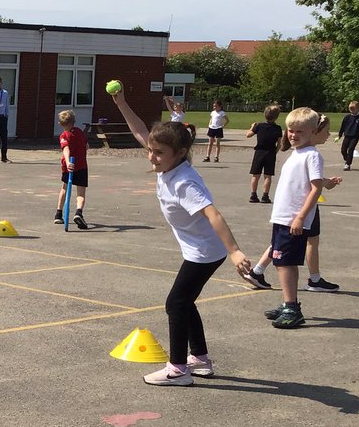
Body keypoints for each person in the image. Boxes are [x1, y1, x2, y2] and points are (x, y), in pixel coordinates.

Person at [111, 89, 250, 386]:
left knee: (175, 303)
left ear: (180, 153)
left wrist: (236, 251)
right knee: (186, 301)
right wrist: (122, 101)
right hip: (198, 248)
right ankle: (198, 357)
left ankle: (177, 369)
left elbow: (213, 214)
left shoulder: (185, 182)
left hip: (205, 251)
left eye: (159, 153)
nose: (152, 156)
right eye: (151, 150)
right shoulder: (168, 164)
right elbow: (139, 131)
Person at [248, 108, 329, 329]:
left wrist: (300, 217)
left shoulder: (312, 155)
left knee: (286, 263)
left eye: (299, 132)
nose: (293, 135)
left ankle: (292, 308)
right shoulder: (298, 152)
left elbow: (315, 188)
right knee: (281, 261)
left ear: (313, 131)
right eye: (290, 131)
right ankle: (287, 303)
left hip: (293, 219)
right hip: (282, 217)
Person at [53, 109, 89, 229]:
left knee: (64, 188)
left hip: (68, 167)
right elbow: (87, 145)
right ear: (74, 121)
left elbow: (66, 149)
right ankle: (79, 212)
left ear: (60, 124)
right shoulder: (80, 132)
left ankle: (59, 213)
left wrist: (68, 162)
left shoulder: (64, 135)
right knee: (81, 192)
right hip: (81, 166)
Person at [246, 104, 283, 203]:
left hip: (259, 152)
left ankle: (253, 195)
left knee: (255, 174)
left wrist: (252, 127)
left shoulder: (259, 126)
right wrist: (275, 151)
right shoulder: (278, 128)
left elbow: (248, 135)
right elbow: (280, 143)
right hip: (270, 152)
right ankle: (265, 196)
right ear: (276, 117)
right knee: (268, 175)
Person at [337, 100, 359, 170]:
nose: (351, 111)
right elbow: (343, 126)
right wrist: (339, 135)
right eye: (350, 109)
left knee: (351, 149)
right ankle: (347, 159)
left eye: (353, 109)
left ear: (357, 109)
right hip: (347, 135)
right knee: (343, 150)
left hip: (355, 136)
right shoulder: (347, 117)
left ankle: (348, 164)